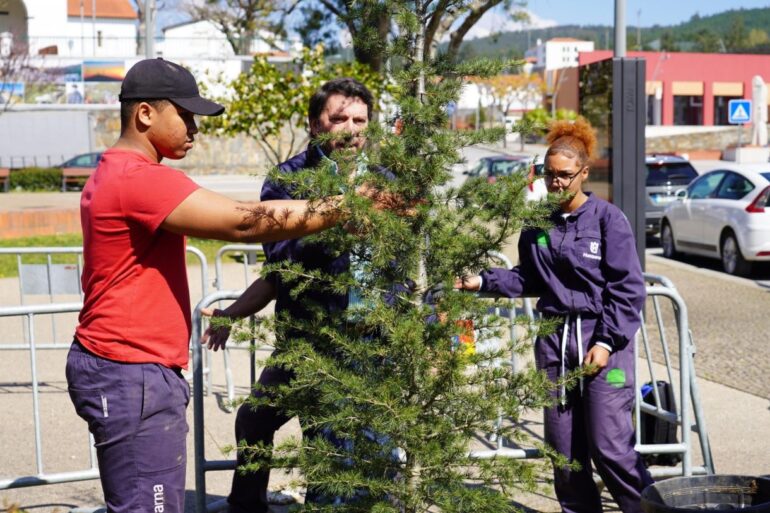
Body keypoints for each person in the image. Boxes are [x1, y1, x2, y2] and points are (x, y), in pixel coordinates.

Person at [65, 60, 399, 513]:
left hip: (135, 371)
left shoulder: (122, 173)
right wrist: (349, 206)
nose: (195, 129)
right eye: (185, 115)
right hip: (132, 372)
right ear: (145, 114)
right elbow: (244, 225)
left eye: (360, 120)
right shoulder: (138, 179)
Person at [203, 77, 388, 513]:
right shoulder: (287, 181)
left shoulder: (387, 181)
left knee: (361, 450)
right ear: (314, 124)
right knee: (261, 421)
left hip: (376, 343)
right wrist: (337, 217)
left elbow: (412, 264)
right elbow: (283, 264)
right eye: (338, 118)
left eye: (360, 119)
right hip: (310, 340)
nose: (351, 128)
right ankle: (248, 504)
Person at [455, 118, 653, 513]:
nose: (556, 183)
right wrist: (481, 282)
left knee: (609, 447)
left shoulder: (607, 220)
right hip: (555, 346)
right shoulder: (537, 224)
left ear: (583, 173)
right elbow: (528, 277)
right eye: (549, 175)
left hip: (603, 346)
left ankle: (650, 509)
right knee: (564, 452)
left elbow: (628, 289)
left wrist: (605, 342)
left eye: (564, 175)